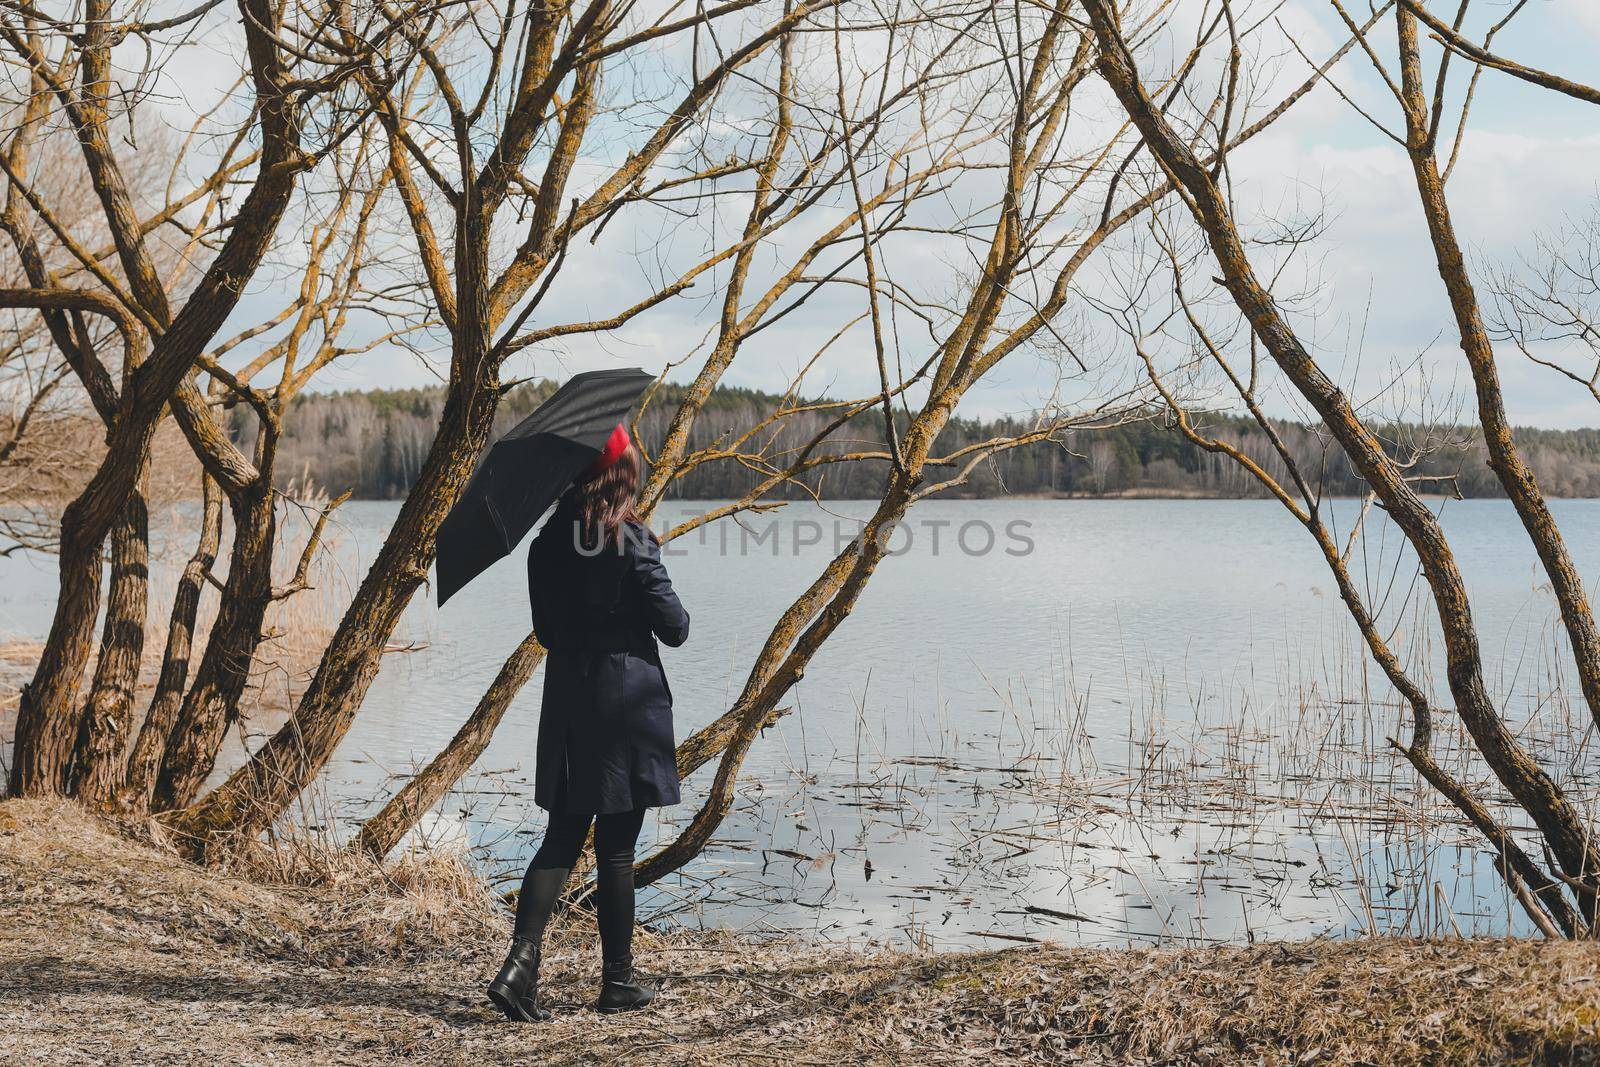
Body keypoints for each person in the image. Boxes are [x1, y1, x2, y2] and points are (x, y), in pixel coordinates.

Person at [487, 423, 690, 1022]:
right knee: (618, 851)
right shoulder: (631, 539)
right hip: (625, 704)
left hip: (569, 699)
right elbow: (676, 627)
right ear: (620, 476)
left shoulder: (546, 544)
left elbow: (547, 633)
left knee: (562, 835)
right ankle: (618, 983)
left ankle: (519, 967)